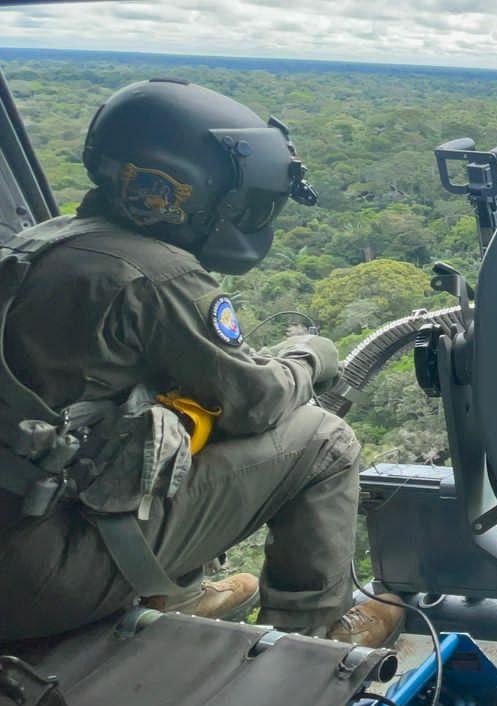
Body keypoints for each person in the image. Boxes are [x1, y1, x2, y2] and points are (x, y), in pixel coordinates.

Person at [0, 78, 401, 647]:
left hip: (21, 538)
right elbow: (255, 402)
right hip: (40, 576)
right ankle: (312, 640)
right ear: (171, 190)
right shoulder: (156, 273)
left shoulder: (37, 245)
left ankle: (177, 592)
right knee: (325, 441)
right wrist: (308, 359)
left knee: (169, 420)